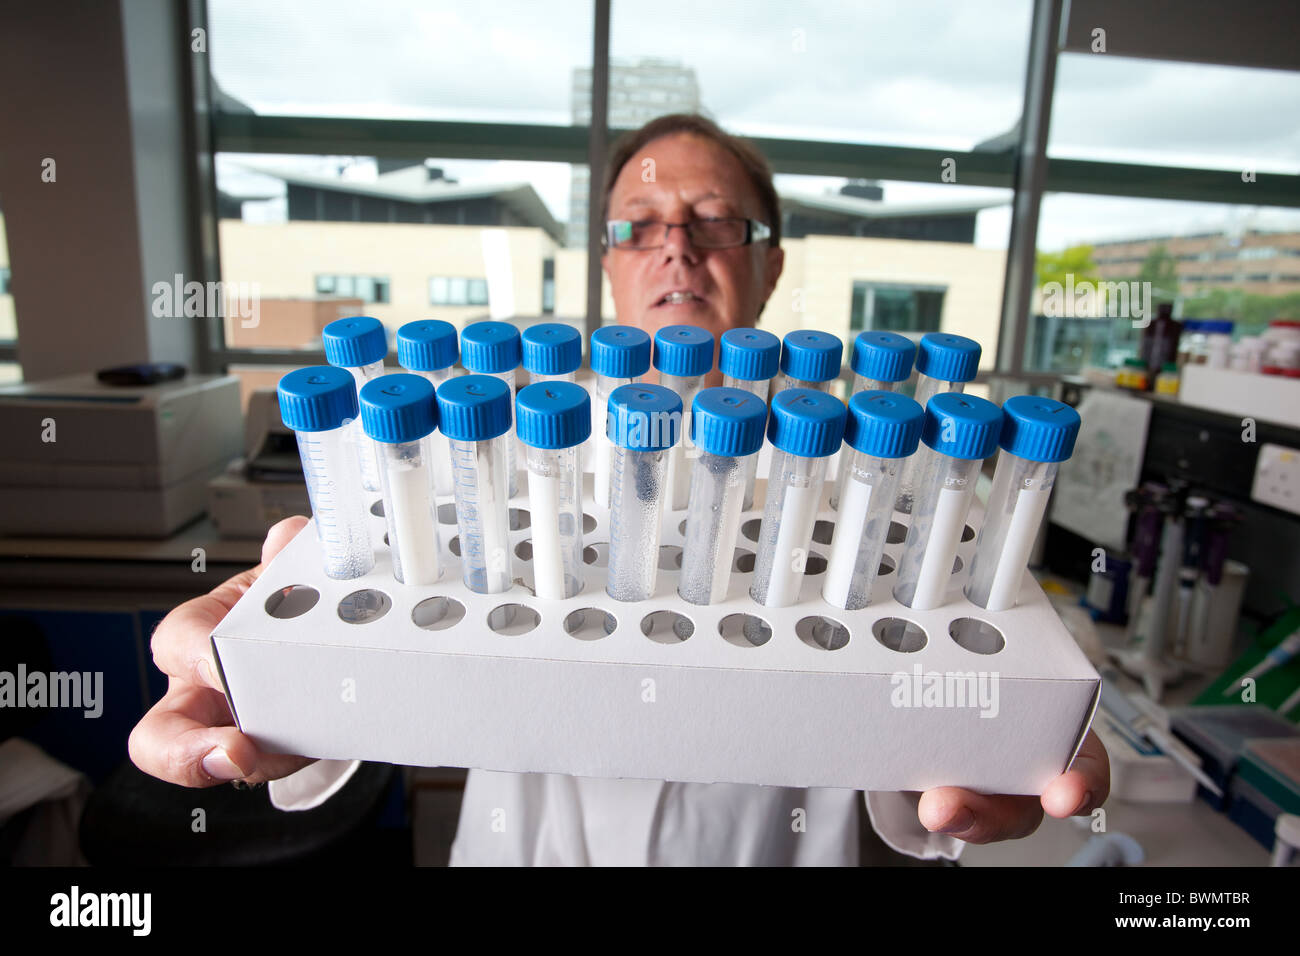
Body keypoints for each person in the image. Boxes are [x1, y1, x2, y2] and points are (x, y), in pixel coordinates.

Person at [129, 113, 1109, 865]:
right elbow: (396, 634)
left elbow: (978, 610)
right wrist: (287, 693)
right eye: (638, 226)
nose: (675, 244)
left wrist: (1017, 729)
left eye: (717, 221)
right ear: (605, 263)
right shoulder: (506, 436)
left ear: (770, 264)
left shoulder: (891, 466)